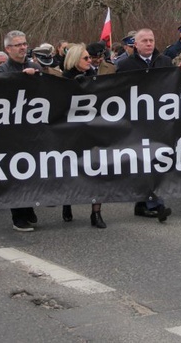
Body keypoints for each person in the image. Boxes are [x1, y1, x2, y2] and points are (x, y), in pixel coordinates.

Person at [115, 28, 174, 222]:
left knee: (158, 160)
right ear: (136, 44)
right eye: (145, 41)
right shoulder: (125, 65)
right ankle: (153, 203)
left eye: (151, 40)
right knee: (144, 162)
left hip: (160, 119)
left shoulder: (164, 62)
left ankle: (150, 203)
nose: (149, 44)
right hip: (137, 121)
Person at [0, 31, 42, 231]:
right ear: (8, 49)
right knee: (16, 172)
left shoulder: (35, 67)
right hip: (12, 132)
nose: (23, 47)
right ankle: (18, 215)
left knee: (32, 171)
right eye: (17, 45)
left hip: (33, 130)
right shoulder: (1, 71)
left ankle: (28, 206)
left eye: (24, 43)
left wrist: (37, 77)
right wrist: (20, 80)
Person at [62, 44, 106, 228]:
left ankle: (96, 213)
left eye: (90, 58)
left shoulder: (93, 77)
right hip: (71, 132)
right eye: (86, 58)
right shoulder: (63, 80)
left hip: (93, 130)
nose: (90, 61)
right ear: (75, 60)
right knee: (70, 170)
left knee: (97, 168)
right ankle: (67, 202)